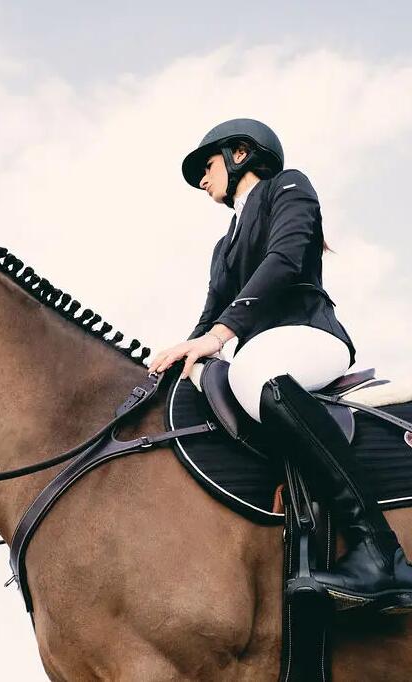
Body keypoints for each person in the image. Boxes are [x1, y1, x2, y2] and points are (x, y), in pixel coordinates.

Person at [147, 118, 412, 614]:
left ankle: (380, 552)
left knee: (254, 374)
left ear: (240, 153)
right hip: (257, 346)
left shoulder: (288, 187)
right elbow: (210, 317)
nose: (203, 181)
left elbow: (285, 261)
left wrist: (220, 336)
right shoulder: (222, 247)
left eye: (206, 167)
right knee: (210, 376)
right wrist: (180, 354)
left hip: (308, 336)